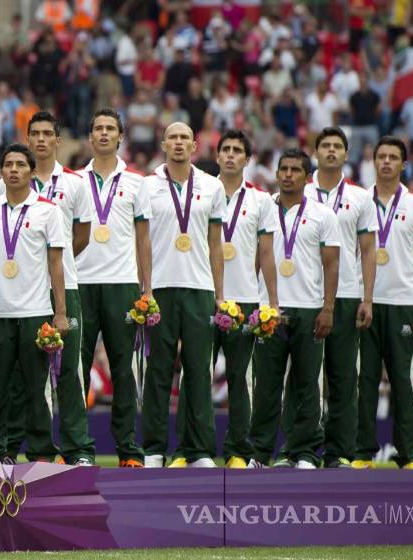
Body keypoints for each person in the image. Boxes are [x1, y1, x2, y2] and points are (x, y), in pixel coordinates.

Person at [170, 130, 278, 468]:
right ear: (217, 157)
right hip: (205, 297)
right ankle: (188, 451)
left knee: (240, 378)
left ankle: (237, 451)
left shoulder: (262, 200)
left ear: (248, 159)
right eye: (225, 150)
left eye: (237, 151)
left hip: (245, 299)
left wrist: (270, 303)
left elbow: (267, 255)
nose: (230, 155)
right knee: (193, 375)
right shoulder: (200, 191)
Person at [0, 112, 95, 464]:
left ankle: (77, 448)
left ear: (56, 140)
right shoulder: (8, 181)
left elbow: (81, 235)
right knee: (21, 374)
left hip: (63, 286)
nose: (40, 139)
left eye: (46, 134)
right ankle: (11, 447)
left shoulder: (75, 183)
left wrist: (55, 261)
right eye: (33, 133)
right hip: (20, 292)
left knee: (68, 370)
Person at [140, 121, 225, 468]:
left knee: (198, 371)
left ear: (194, 147)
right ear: (163, 144)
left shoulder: (212, 186)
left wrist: (220, 296)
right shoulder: (147, 186)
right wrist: (144, 289)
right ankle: (154, 449)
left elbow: (215, 244)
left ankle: (198, 450)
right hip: (159, 288)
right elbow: (141, 241)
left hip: (200, 288)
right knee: (158, 371)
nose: (178, 143)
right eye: (172, 137)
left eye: (184, 138)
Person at [249, 148, 340, 469]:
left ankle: (303, 452)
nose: (288, 174)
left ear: (306, 176)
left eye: (295, 170)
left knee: (306, 383)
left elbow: (331, 265)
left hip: (309, 307)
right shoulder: (262, 209)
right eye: (283, 169)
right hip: (269, 309)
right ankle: (259, 453)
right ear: (276, 173)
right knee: (266, 386)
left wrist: (328, 308)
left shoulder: (323, 214)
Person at [0, 143, 68, 463]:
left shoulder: (48, 210)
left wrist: (60, 312)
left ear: (32, 172)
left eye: (20, 164)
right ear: (1, 172)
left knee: (36, 388)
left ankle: (41, 450)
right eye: (9, 164)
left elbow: (56, 264)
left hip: (36, 312)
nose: (14, 169)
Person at [354, 137, 413, 470]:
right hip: (364, 301)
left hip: (404, 302)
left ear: (403, 164)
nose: (386, 162)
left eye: (393, 157)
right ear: (373, 162)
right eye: (381, 156)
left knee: (404, 379)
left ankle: (410, 455)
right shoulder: (357, 203)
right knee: (365, 380)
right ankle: (362, 453)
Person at [75, 109, 150, 466]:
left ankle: (128, 450)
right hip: (81, 284)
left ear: (120, 136)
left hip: (123, 284)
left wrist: (146, 289)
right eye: (97, 128)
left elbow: (144, 240)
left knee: (124, 370)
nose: (104, 134)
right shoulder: (74, 182)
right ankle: (78, 449)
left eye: (110, 129)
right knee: (77, 370)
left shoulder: (138, 183)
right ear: (90, 136)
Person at [303, 126, 376, 468]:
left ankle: (340, 452)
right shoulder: (297, 191)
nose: (331, 151)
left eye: (337, 146)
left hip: (347, 293)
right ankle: (302, 450)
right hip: (303, 293)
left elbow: (368, 250)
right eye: (325, 146)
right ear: (315, 152)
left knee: (343, 377)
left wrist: (368, 298)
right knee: (303, 377)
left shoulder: (361, 197)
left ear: (346, 154)